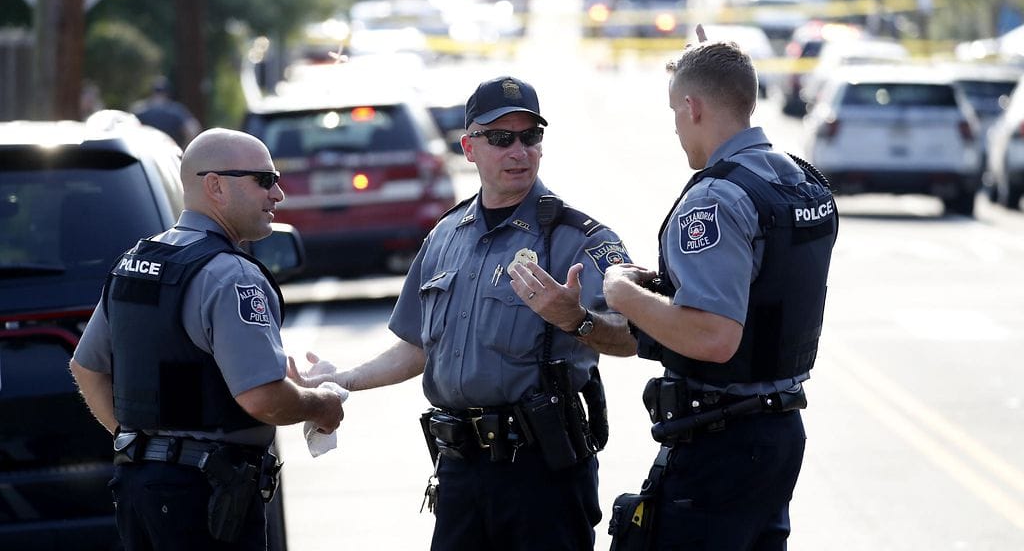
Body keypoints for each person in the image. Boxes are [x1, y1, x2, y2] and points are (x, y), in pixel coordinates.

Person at [292, 76, 637, 550]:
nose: (519, 151)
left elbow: (636, 334)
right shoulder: (446, 235)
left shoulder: (578, 237)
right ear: (469, 147)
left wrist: (576, 320)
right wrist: (342, 381)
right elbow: (417, 346)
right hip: (460, 471)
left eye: (530, 136)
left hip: (543, 476)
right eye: (500, 138)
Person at [602, 27, 838, 550]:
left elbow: (714, 339)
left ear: (693, 107)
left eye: (674, 113)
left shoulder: (716, 200)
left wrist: (622, 292)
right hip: (777, 434)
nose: (675, 129)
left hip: (720, 444)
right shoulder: (798, 178)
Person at [69, 128, 345, 550]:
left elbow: (87, 368)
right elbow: (261, 398)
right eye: (265, 180)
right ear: (215, 185)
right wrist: (321, 404)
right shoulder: (231, 275)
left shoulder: (136, 262)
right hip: (206, 498)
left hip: (140, 488)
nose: (279, 195)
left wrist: (146, 447)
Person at [131, 75, 202, 148]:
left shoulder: (140, 109)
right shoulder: (176, 110)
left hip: (146, 153)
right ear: (167, 93)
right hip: (169, 153)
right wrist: (184, 149)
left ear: (152, 92)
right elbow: (193, 129)